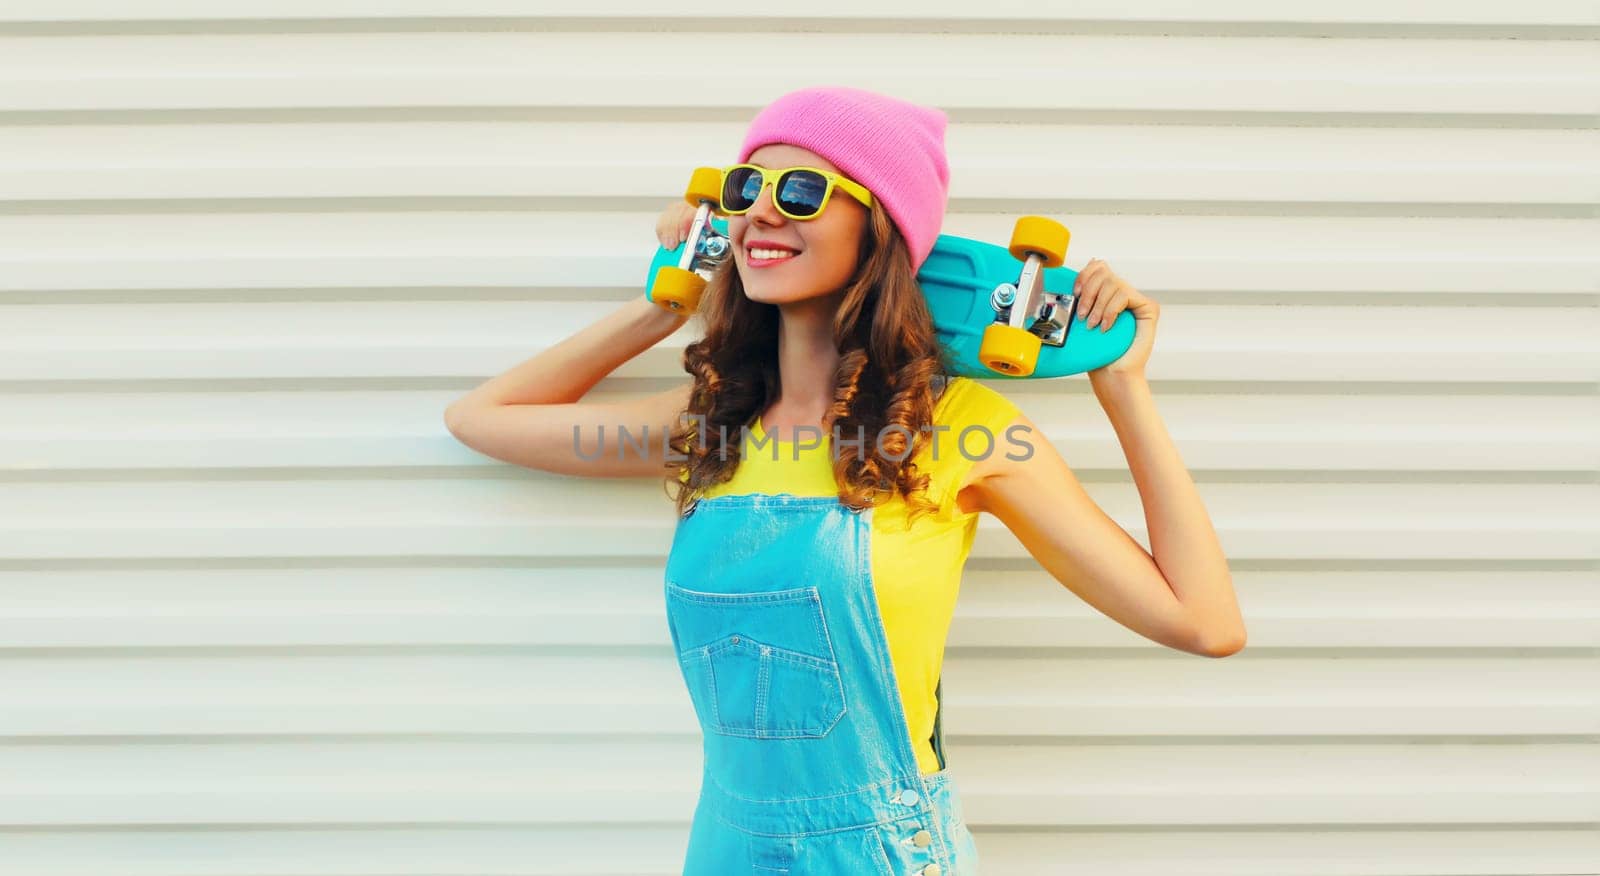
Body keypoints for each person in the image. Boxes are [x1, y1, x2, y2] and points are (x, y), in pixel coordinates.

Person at [445, 85, 1243, 876]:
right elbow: (482, 417)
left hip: (880, 851)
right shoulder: (713, 420)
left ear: (881, 231)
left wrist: (1124, 388)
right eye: (745, 188)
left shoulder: (966, 430)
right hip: (724, 847)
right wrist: (665, 298)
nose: (761, 211)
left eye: (802, 192)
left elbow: (1203, 623)